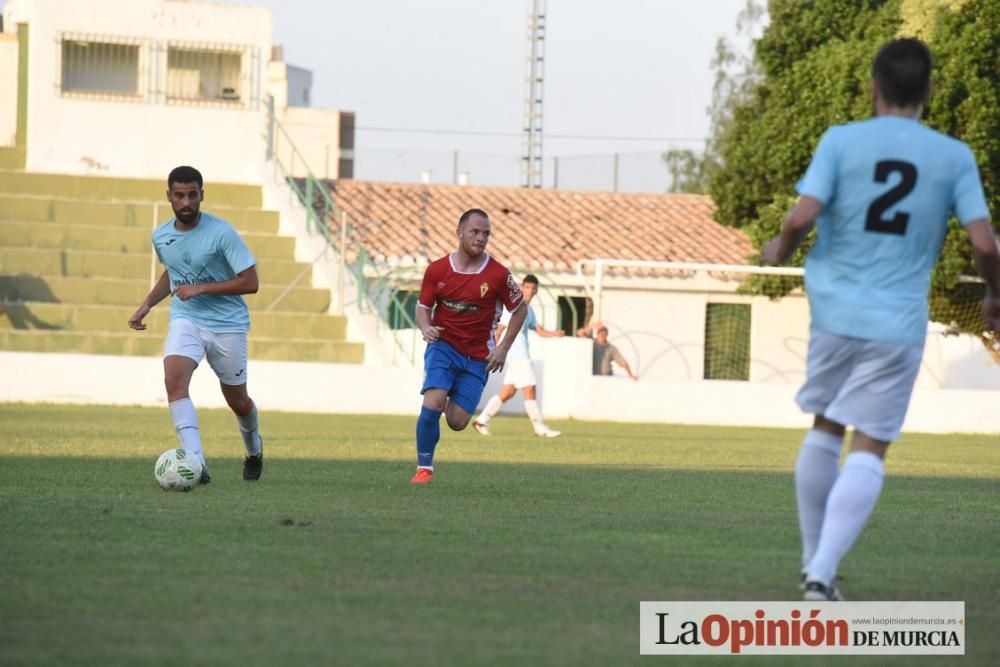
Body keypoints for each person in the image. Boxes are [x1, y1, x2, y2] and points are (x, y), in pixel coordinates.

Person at [761, 39, 1000, 601]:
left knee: (825, 426)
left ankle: (811, 564)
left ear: (874, 87)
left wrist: (782, 247)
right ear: (929, 93)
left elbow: (804, 213)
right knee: (869, 445)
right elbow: (986, 243)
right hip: (896, 322)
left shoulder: (841, 141)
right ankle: (820, 572)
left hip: (835, 312)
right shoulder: (953, 155)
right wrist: (994, 293)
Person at [128, 166, 265, 483]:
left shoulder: (222, 233)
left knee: (238, 401)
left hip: (228, 325)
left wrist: (201, 288)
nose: (186, 201)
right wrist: (147, 305)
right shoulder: (161, 235)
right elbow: (171, 273)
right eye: (179, 195)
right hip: (186, 318)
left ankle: (254, 450)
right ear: (169, 197)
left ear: (202, 195)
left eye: (192, 195)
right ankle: (197, 464)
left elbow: (251, 282)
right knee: (174, 380)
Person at [411, 208, 527, 484]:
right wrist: (426, 327)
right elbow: (422, 307)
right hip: (444, 345)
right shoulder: (437, 270)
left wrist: (502, 348)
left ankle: (446, 393)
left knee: (457, 422)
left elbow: (520, 309)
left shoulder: (498, 274)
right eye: (475, 231)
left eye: (486, 233)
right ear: (459, 232)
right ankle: (424, 468)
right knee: (433, 401)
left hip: (478, 356)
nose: (481, 237)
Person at [472, 274, 565, 438]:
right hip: (517, 355)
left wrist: (555, 334)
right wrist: (493, 351)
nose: (530, 291)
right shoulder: (514, 307)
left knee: (508, 391)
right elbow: (500, 329)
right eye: (527, 287)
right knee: (530, 389)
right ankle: (539, 428)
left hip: (519, 356)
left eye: (533, 288)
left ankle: (481, 420)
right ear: (522, 288)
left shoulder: (529, 310)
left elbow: (539, 331)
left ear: (536, 291)